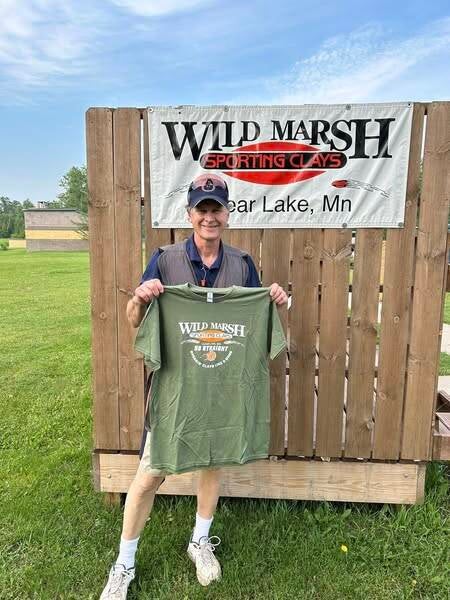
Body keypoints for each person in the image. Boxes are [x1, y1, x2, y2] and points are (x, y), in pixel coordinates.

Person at [100, 174, 288, 599]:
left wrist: (277, 301)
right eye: (202, 209)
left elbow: (258, 324)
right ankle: (123, 563)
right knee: (150, 473)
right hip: (174, 391)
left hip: (222, 390)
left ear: (227, 214)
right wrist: (140, 298)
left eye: (216, 208)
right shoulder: (164, 260)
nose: (209, 216)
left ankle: (200, 541)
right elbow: (134, 321)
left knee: (212, 463)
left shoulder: (242, 264)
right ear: (189, 215)